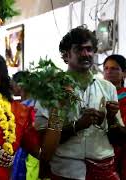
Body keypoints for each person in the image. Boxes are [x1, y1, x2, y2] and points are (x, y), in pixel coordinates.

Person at [35, 26, 122, 180]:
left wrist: (111, 119)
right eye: (79, 49)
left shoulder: (108, 88)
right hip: (66, 171)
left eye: (89, 49)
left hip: (104, 169)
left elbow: (117, 139)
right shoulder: (52, 89)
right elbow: (43, 140)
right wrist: (78, 125)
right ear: (66, 55)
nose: (85, 54)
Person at [103, 54, 126, 179]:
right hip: (101, 155)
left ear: (124, 73)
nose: (108, 72)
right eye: (105, 68)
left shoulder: (124, 97)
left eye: (114, 68)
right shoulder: (97, 96)